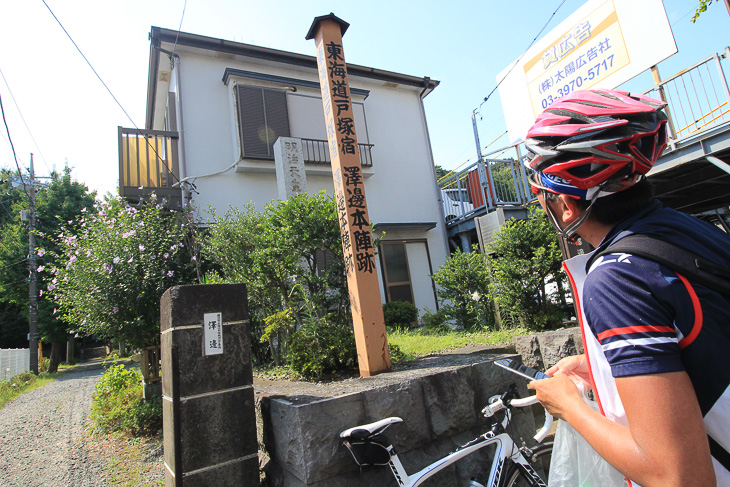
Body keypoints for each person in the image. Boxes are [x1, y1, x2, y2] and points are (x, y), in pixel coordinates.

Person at [523, 89, 730, 487]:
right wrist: (602, 367)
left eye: (543, 197)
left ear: (566, 205)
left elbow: (676, 477)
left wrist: (569, 406)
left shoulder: (618, 278)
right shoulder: (690, 230)